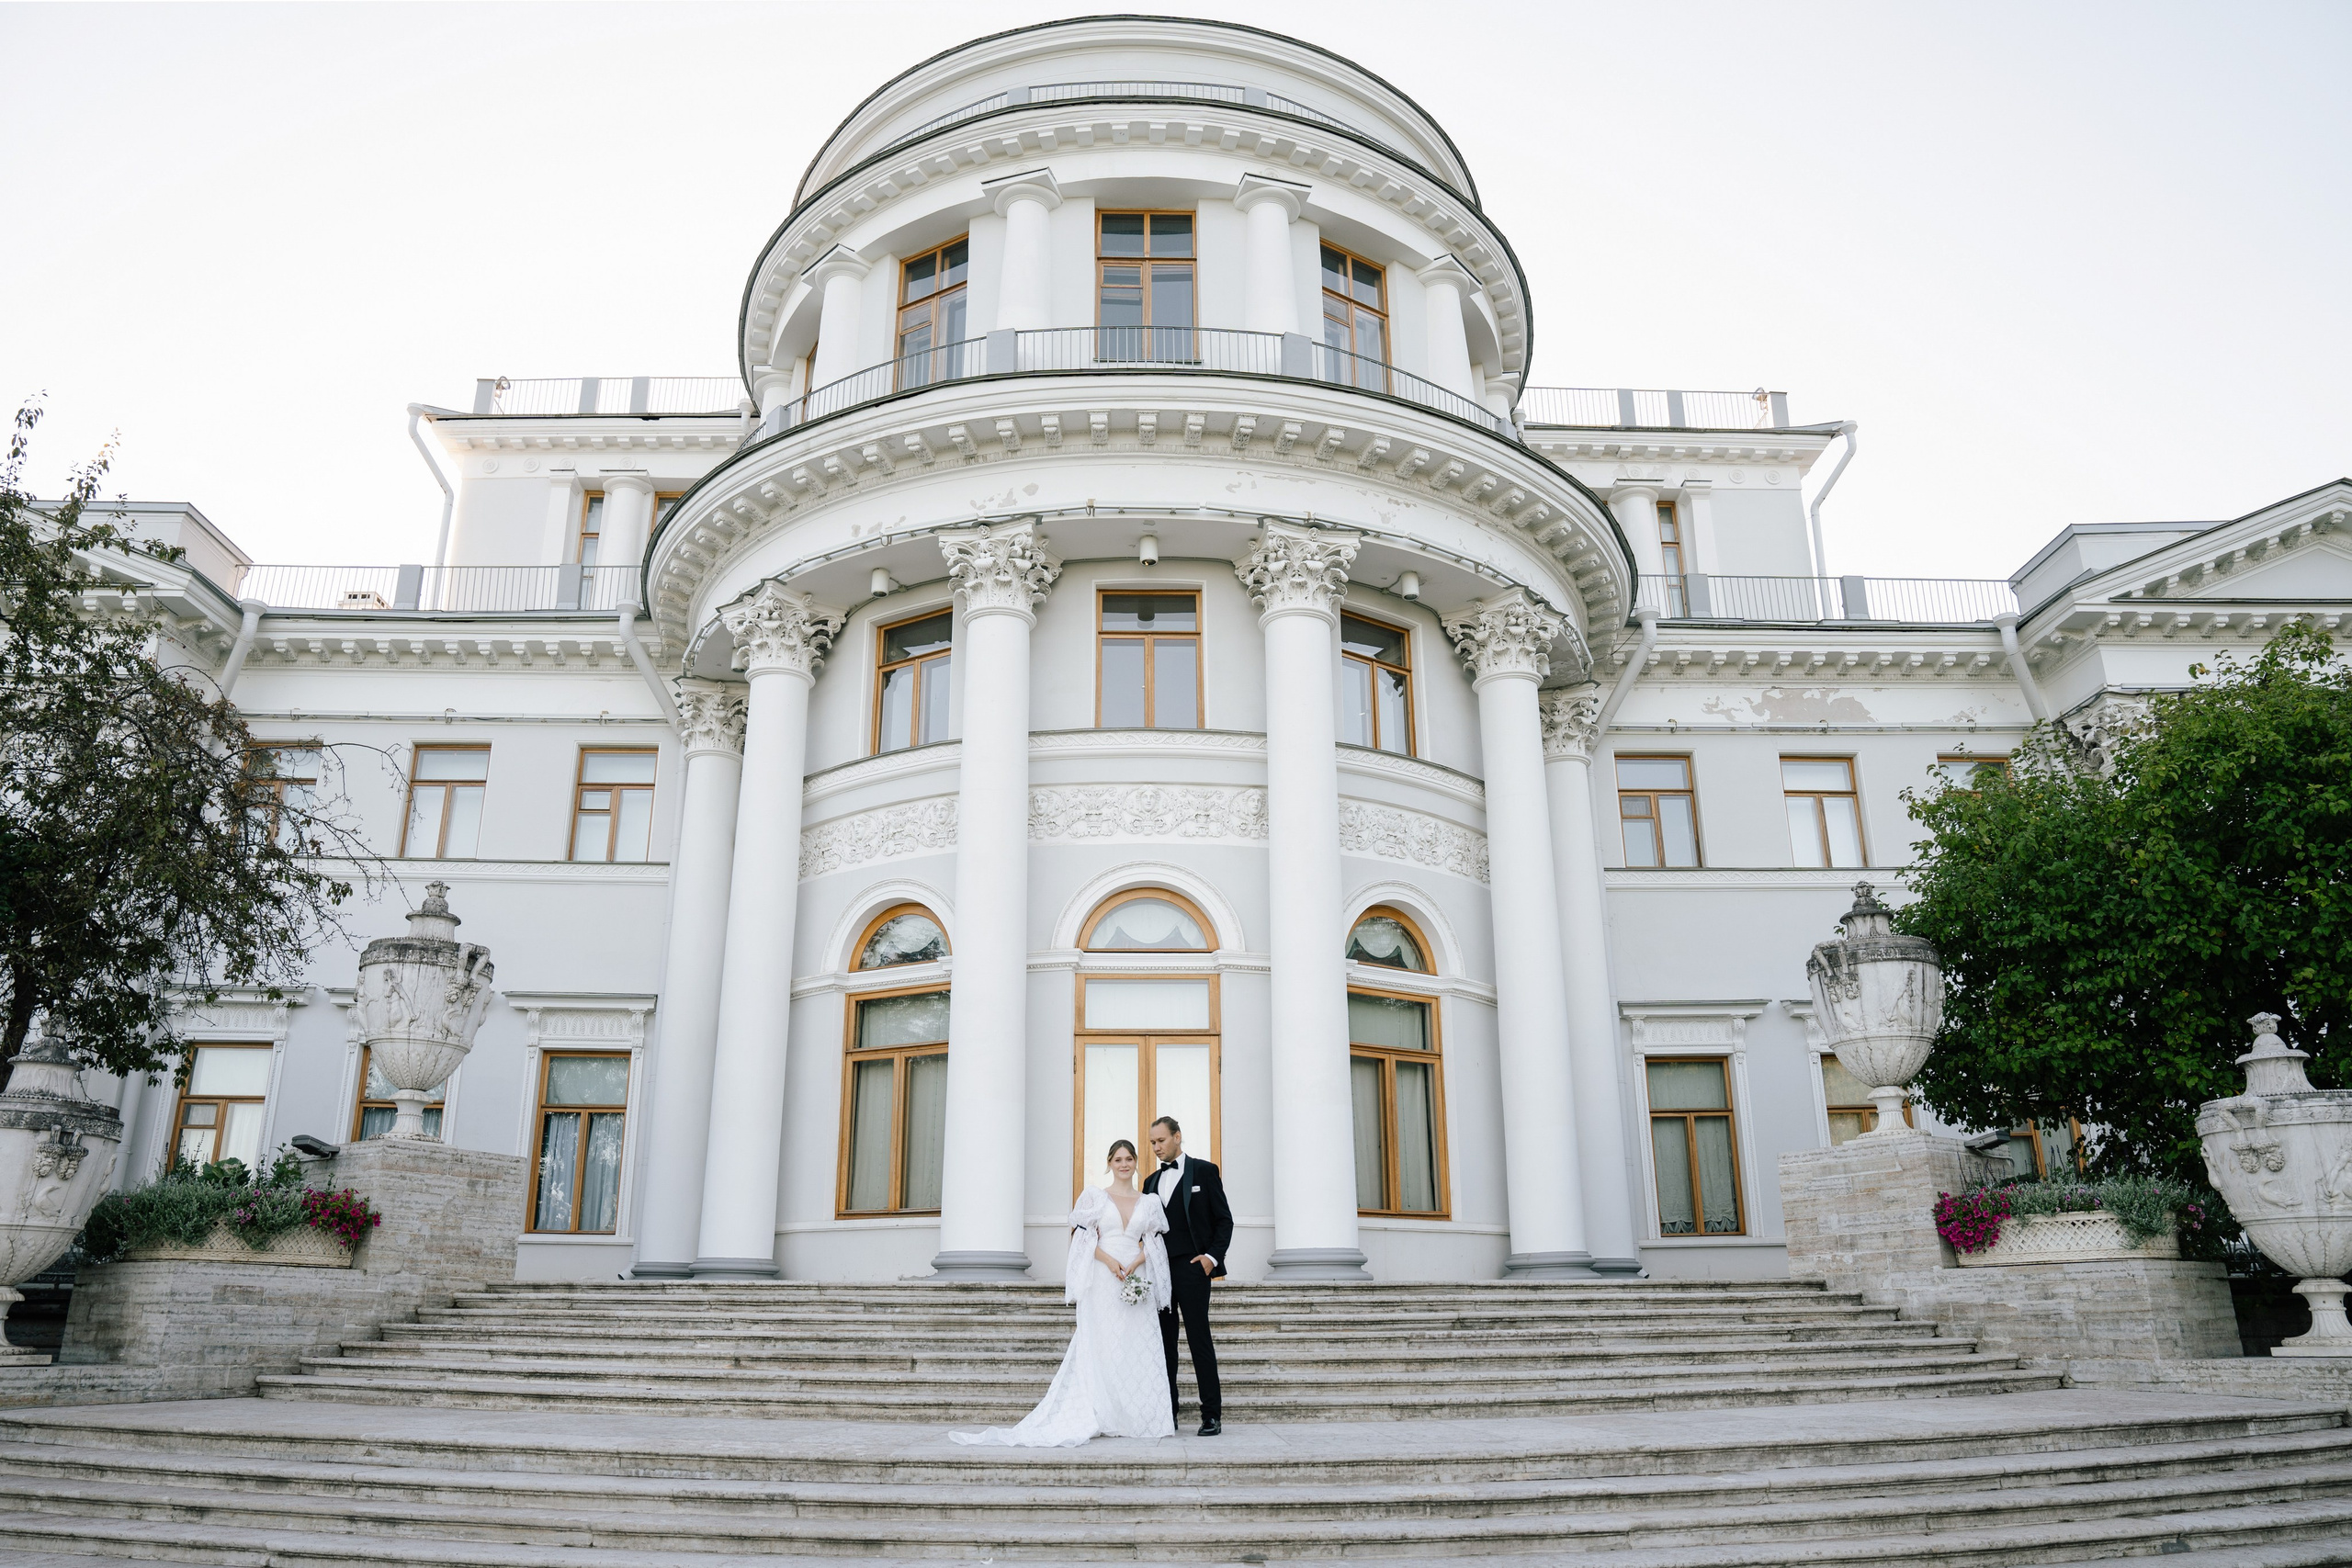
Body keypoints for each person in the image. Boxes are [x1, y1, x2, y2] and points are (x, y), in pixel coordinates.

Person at [950, 1140, 1176, 1447]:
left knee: (1134, 1342)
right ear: (1109, 1163)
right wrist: (1110, 1262)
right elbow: (1082, 1241)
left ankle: (1133, 1416)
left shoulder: (1148, 1202)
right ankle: (1102, 1411)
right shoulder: (1095, 1197)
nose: (1124, 1164)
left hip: (1135, 1276)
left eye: (1129, 1159)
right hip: (1103, 1278)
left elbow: (1153, 1244)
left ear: (1136, 1163)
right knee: (1103, 1342)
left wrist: (1135, 1263)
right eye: (1118, 1159)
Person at [1146, 1114, 1233, 1435]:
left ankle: (1211, 1414)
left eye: (1161, 1140)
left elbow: (1224, 1221)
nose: (1156, 1147)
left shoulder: (1205, 1171)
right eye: (1153, 1142)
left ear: (1177, 1137)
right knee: (1164, 1344)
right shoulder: (1150, 1183)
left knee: (1199, 1341)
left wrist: (1211, 1258)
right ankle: (1168, 1412)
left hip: (1193, 1269)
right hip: (1159, 1272)